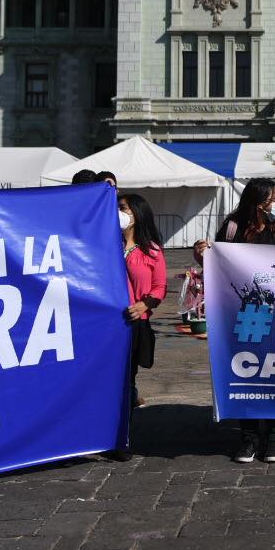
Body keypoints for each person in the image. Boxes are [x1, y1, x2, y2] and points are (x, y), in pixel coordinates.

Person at [197, 178, 275, 464]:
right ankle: (249, 437)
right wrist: (202, 253)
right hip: (243, 313)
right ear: (256, 201)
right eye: (271, 199)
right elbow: (217, 263)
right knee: (246, 370)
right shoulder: (234, 227)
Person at [114, 191, 166, 460]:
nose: (119, 213)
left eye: (123, 208)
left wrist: (145, 304)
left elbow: (160, 287)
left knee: (126, 381)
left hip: (134, 324)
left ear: (137, 213)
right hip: (104, 325)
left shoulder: (152, 250)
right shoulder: (105, 244)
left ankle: (121, 436)